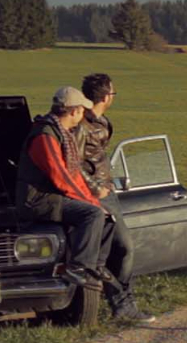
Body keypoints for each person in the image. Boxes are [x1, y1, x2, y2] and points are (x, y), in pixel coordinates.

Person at [76, 73, 156, 322]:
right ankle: (120, 303)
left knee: (120, 248)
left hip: (108, 192)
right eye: (113, 92)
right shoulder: (80, 125)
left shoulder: (103, 122)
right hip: (93, 196)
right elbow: (72, 164)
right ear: (105, 97)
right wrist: (94, 189)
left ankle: (120, 301)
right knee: (121, 247)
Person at [15, 86, 114, 286]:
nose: (83, 115)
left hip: (53, 197)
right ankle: (77, 268)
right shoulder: (45, 136)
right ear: (74, 111)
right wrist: (90, 203)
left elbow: (74, 176)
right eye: (82, 110)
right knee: (93, 214)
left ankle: (96, 266)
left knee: (107, 217)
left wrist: (92, 200)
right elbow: (60, 177)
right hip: (38, 201)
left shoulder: (61, 133)